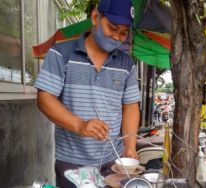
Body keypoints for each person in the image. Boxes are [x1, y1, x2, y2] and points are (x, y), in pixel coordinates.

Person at [34, 0, 140, 187]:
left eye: (123, 33)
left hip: (112, 163)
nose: (117, 37)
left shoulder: (127, 64)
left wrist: (130, 147)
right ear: (95, 17)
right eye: (112, 28)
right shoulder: (61, 54)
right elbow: (44, 99)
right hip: (71, 162)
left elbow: (130, 106)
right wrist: (80, 125)